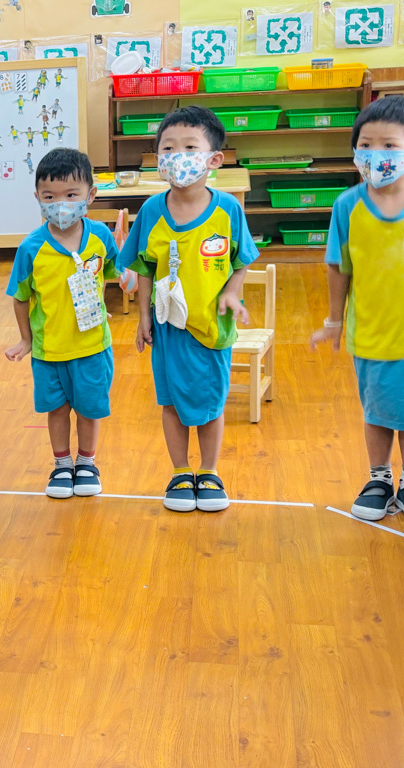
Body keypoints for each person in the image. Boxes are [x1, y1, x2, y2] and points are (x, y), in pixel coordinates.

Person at [119, 106, 257, 513]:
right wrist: (144, 316)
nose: (177, 156)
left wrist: (232, 293)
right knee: (171, 402)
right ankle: (180, 471)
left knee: (211, 406)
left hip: (212, 327)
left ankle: (209, 472)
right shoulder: (151, 210)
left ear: (214, 159)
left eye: (190, 147)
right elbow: (144, 267)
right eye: (168, 148)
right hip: (168, 330)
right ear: (157, 158)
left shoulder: (228, 209)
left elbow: (242, 260)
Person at [311, 97, 404, 521]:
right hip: (371, 330)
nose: (377, 154)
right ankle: (379, 478)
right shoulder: (348, 205)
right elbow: (338, 267)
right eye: (366, 145)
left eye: (390, 145)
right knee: (378, 410)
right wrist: (334, 321)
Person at [5, 149, 119, 498]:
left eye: (71, 195)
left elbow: (112, 271)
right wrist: (26, 339)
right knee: (56, 409)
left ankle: (86, 463)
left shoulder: (100, 237)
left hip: (92, 346)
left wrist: (117, 289)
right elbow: (20, 296)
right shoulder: (31, 248)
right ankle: (61, 465)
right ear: (37, 197)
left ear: (90, 195)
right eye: (50, 197)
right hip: (49, 350)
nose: (61, 204)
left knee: (89, 409)